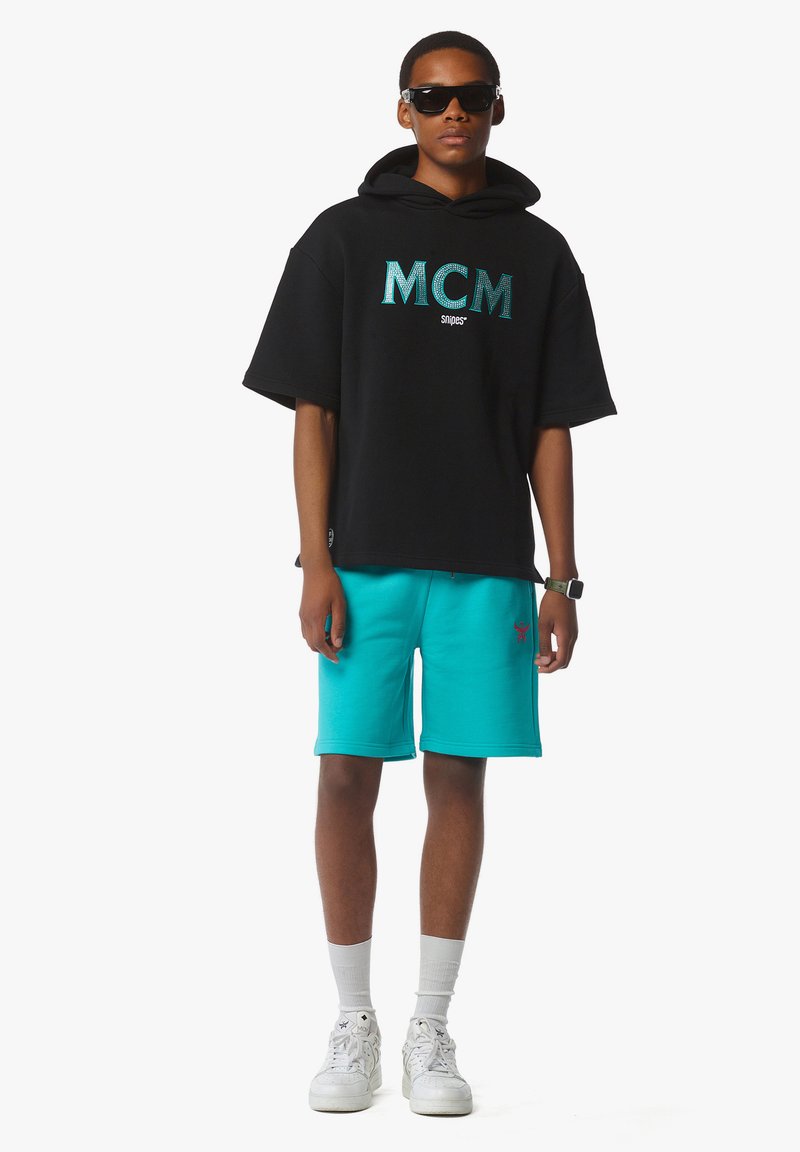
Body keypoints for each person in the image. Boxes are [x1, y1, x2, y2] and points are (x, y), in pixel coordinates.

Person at [241, 29, 617, 1116]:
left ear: (498, 108)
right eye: (432, 95)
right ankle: (351, 1020)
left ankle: (429, 1029)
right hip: (363, 558)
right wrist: (315, 561)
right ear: (401, 109)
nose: (455, 112)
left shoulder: (539, 254)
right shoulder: (342, 238)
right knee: (344, 774)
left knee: (459, 778)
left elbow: (551, 424)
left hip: (486, 563)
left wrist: (562, 577)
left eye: (473, 95)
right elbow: (312, 412)